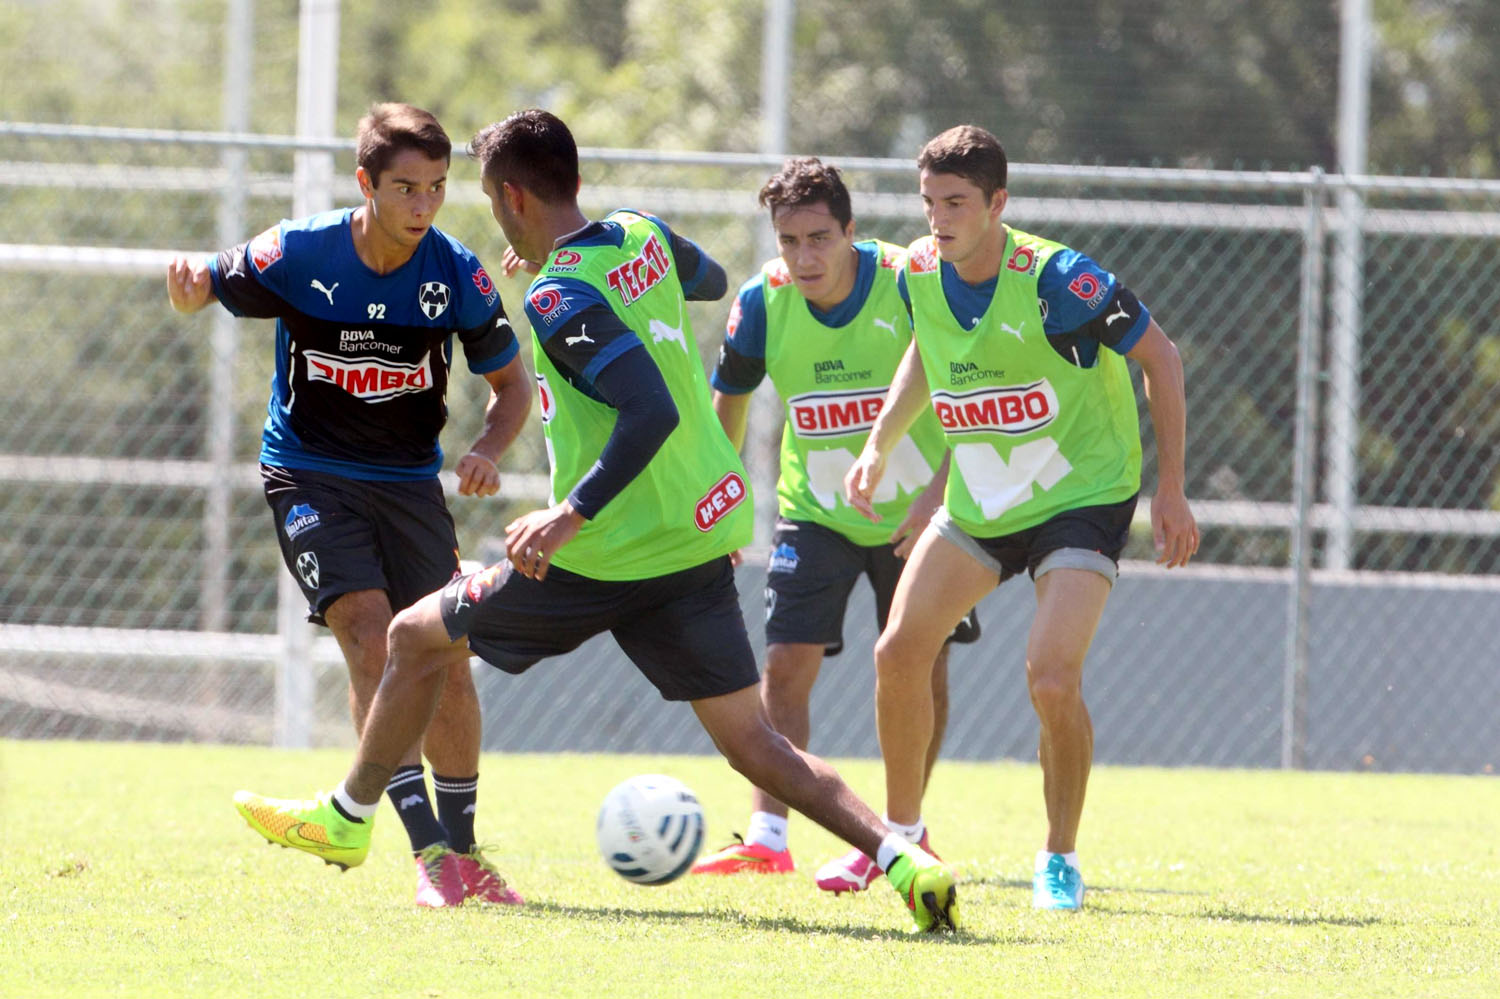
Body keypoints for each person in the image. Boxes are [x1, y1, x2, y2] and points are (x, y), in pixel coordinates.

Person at [230, 108, 960, 934]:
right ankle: (904, 856)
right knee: (756, 742)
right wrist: (585, 271)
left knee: (410, 636)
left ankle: (350, 814)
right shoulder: (637, 235)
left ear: (512, 197)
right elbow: (711, 276)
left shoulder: (557, 292)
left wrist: (565, 515)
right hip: (694, 535)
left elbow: (643, 408)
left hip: (601, 551)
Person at [168, 102, 532, 908]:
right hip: (309, 473)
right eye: (405, 188)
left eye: (437, 188)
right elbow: (211, 279)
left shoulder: (456, 272)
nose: (422, 207)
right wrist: (193, 293)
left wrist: (485, 450)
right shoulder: (300, 251)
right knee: (371, 637)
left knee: (445, 658)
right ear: (365, 182)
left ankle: (467, 854)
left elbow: (513, 386)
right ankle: (429, 852)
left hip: (409, 484)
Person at [845, 125, 1199, 911]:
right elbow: (927, 353)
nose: (939, 218)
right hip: (983, 500)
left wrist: (1171, 488)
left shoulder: (1059, 280)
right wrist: (879, 442)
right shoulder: (919, 271)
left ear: (998, 203)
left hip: (1083, 494)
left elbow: (1162, 357)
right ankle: (904, 839)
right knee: (899, 650)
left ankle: (1059, 856)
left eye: (958, 203)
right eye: (930, 201)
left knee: (1050, 676)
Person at [688, 157, 978, 891]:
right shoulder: (762, 300)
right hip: (814, 511)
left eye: (820, 238)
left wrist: (937, 498)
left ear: (852, 232)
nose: (804, 256)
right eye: (789, 240)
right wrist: (723, 511)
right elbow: (730, 402)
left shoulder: (907, 280)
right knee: (785, 665)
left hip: (922, 513)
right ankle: (768, 833)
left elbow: (969, 385)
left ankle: (905, 831)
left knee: (921, 664)